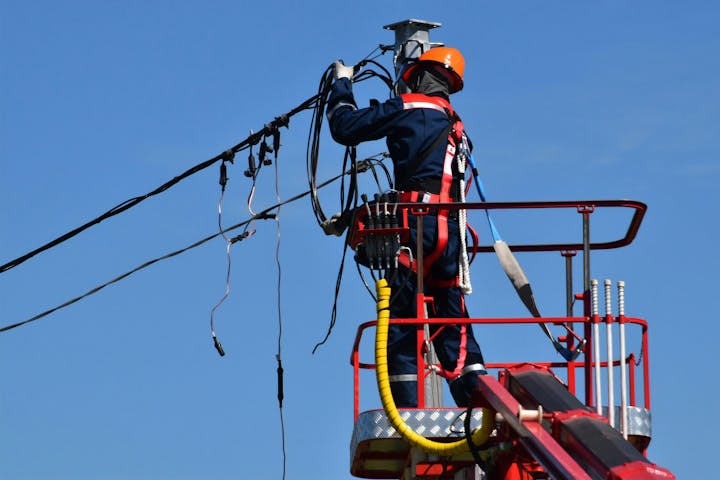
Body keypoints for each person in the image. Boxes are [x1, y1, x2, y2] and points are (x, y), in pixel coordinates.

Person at [326, 47, 486, 408]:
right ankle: (478, 399)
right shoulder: (456, 125)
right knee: (454, 321)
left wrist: (341, 84)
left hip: (414, 230)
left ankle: (409, 411)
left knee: (402, 324)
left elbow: (345, 128)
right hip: (450, 237)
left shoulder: (408, 108)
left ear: (415, 77)